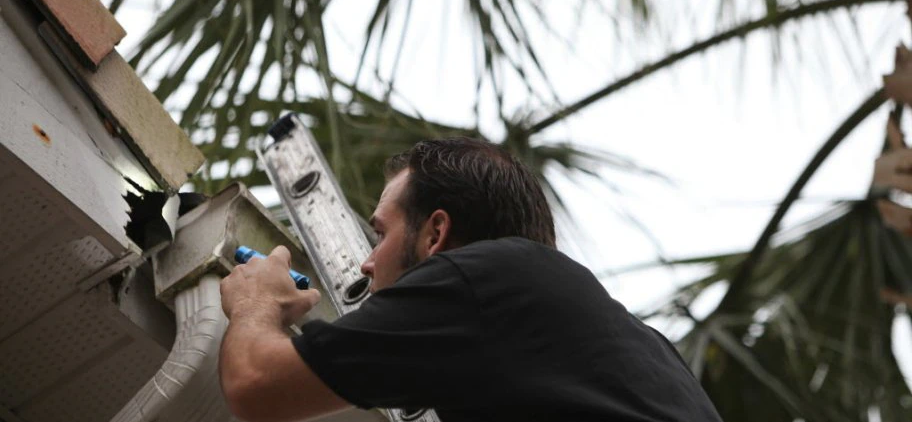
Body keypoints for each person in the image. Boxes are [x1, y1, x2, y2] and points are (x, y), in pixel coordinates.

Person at [219, 137, 723, 422]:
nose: (366, 264)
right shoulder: (640, 349)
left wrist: (256, 299)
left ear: (436, 233)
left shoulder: (485, 279)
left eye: (381, 234)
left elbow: (256, 386)